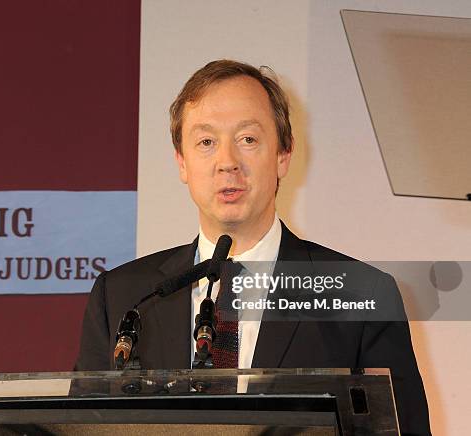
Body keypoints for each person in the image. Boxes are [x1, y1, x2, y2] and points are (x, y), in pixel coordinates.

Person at [75, 60, 430, 435]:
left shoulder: (361, 294)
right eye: (206, 142)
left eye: (248, 139)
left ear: (283, 155)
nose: (228, 163)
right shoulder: (124, 297)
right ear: (182, 161)